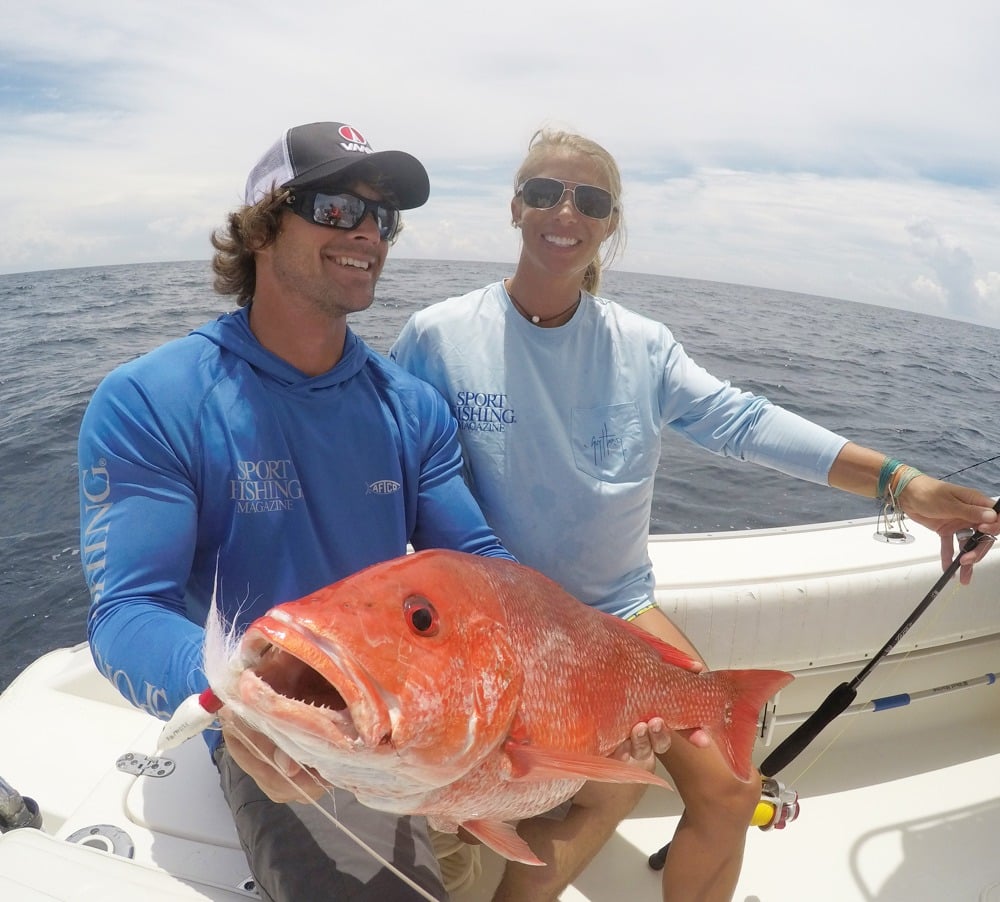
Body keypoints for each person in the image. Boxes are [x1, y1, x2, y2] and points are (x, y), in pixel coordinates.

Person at [389, 127, 1000, 902]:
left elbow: (746, 422)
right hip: (495, 624)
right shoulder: (438, 335)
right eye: (544, 192)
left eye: (591, 199)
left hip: (617, 611)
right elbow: (387, 465)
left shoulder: (643, 347)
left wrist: (902, 485)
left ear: (611, 223)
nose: (564, 211)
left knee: (730, 792)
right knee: (482, 796)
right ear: (515, 207)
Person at [77, 120, 524, 902]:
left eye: (380, 218)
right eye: (333, 208)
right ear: (262, 228)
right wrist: (246, 700)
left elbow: (484, 568)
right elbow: (127, 612)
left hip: (413, 710)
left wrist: (586, 658)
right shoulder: (153, 399)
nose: (366, 234)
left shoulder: (409, 407)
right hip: (286, 732)